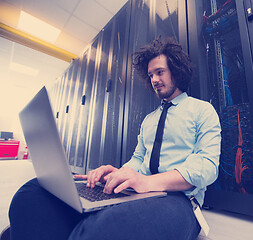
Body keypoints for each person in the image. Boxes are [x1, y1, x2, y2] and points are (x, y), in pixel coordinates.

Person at [9, 36, 221, 240]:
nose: (154, 80)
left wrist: (147, 182)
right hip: (137, 192)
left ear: (176, 70)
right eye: (150, 75)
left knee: (106, 230)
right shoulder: (149, 120)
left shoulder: (202, 110)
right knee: (32, 193)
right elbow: (138, 159)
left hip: (180, 200)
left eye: (160, 72)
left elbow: (206, 167)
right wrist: (117, 174)